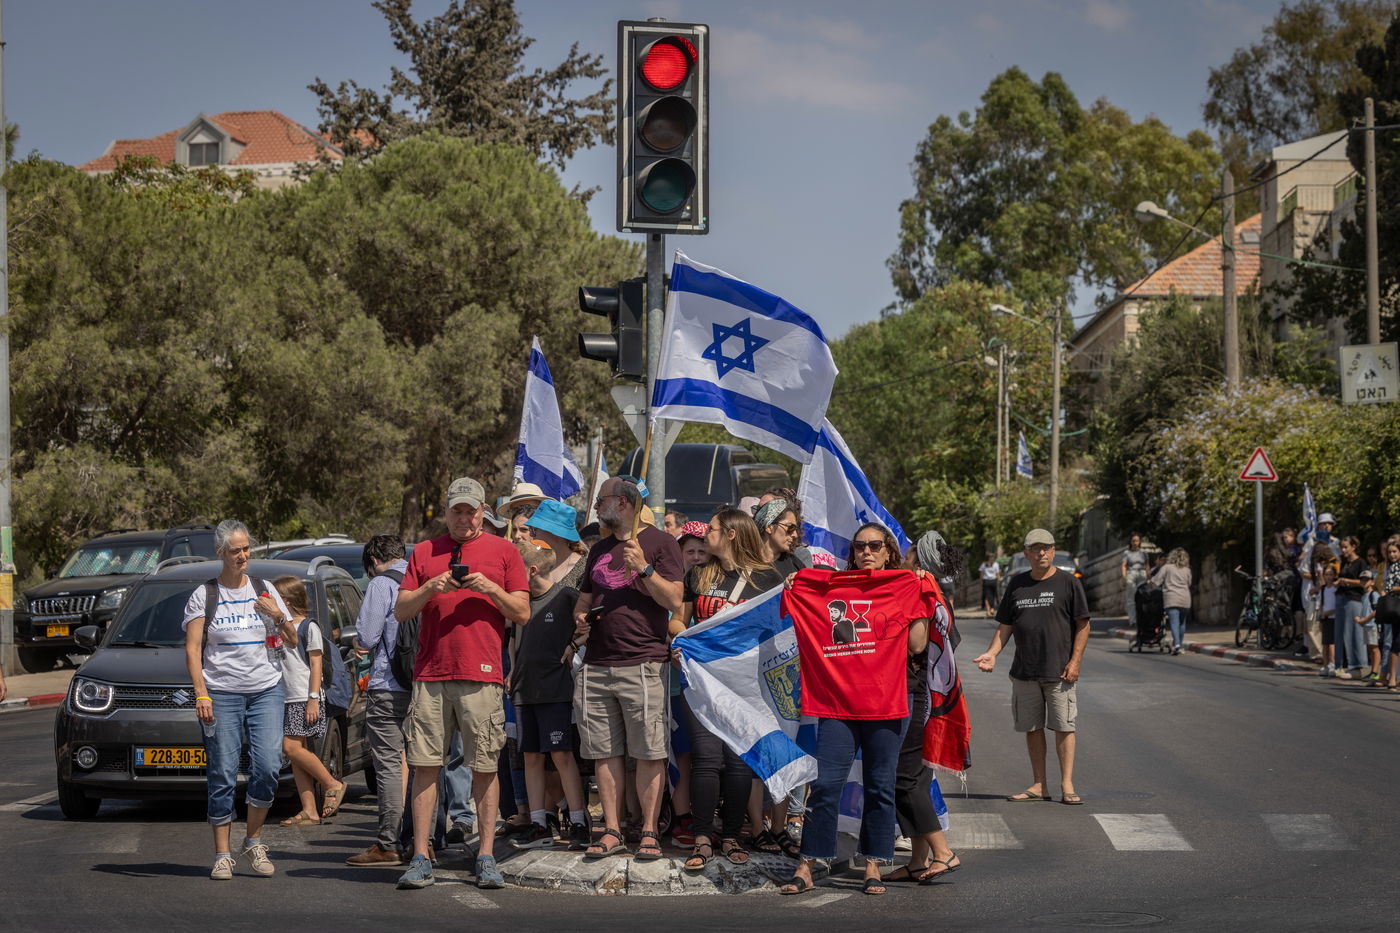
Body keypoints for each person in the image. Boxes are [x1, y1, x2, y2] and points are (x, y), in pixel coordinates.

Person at [778, 522, 934, 897]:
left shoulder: (904, 585)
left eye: (875, 545)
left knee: (880, 787)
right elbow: (793, 610)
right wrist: (793, 588)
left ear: (887, 551)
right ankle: (807, 865)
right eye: (859, 546)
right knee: (827, 785)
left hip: (889, 703)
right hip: (837, 704)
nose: (866, 551)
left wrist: (922, 597)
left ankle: (873, 865)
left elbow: (916, 646)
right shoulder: (829, 588)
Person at [393, 477, 531, 891]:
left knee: (485, 768)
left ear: (483, 511)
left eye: (471, 510)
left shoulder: (504, 551)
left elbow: (521, 612)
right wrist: (431, 587)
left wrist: (490, 589)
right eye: (457, 510)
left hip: (482, 675)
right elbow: (400, 611)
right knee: (425, 768)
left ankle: (486, 856)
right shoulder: (423, 552)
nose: (463, 518)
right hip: (430, 675)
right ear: (447, 510)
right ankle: (420, 855)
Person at [569, 476, 684, 862]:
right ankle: (613, 829)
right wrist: (581, 618)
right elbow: (583, 601)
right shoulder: (599, 548)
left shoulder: (661, 543)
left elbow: (675, 600)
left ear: (622, 503)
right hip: (597, 663)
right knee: (604, 753)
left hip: (643, 663)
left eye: (601, 500)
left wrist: (646, 570)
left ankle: (649, 830)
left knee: (649, 751)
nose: (596, 507)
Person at [668, 508, 784, 871]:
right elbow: (677, 619)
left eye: (713, 530)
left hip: (746, 685)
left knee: (738, 762)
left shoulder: (768, 579)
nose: (706, 537)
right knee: (706, 757)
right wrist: (680, 641)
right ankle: (703, 836)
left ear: (731, 534)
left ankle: (732, 834)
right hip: (702, 681)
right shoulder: (699, 575)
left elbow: (778, 634)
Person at [183, 520, 295, 880]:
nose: (244, 555)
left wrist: (278, 616)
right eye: (236, 550)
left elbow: (293, 639)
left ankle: (253, 840)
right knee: (222, 773)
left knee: (267, 767)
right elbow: (193, 648)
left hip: (266, 689)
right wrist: (201, 693)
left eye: (247, 548)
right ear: (221, 553)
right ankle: (221, 854)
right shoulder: (205, 595)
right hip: (222, 693)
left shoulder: (265, 590)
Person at [974, 528, 1090, 806]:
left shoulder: (1068, 583)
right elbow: (1006, 625)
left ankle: (1067, 784)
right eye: (1036, 548)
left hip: (1059, 671)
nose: (1042, 553)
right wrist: (992, 653)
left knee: (1064, 726)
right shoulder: (1017, 584)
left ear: (1053, 551)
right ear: (1026, 553)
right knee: (1033, 728)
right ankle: (1039, 784)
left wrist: (1075, 662)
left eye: (1047, 548)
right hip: (1025, 671)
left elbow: (1083, 624)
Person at [882, 530, 963, 885]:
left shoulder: (919, 588)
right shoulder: (940, 593)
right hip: (931, 695)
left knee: (903, 778)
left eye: (907, 553)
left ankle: (943, 852)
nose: (901, 556)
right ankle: (917, 860)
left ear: (918, 559)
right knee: (916, 776)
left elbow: (916, 646)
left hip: (918, 694)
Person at [509, 540, 588, 849]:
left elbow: (590, 624)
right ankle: (539, 824)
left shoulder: (566, 596)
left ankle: (579, 821)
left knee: (561, 755)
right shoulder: (519, 601)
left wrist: (573, 646)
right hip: (523, 690)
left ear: (530, 569)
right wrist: (512, 672)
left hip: (555, 690)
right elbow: (512, 639)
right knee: (530, 757)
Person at [346, 535, 412, 866]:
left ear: (373, 560)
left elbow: (369, 638)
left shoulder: (380, 585)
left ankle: (389, 844)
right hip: (423, 685)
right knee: (423, 764)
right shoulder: (422, 578)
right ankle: (426, 839)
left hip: (387, 685)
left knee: (387, 765)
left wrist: (358, 641)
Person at [269, 575, 347, 826]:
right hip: (285, 696)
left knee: (290, 748)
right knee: (297, 753)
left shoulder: (308, 627)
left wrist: (314, 699)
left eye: (275, 598)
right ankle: (309, 810)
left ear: (287, 601)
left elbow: (316, 665)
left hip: (303, 696)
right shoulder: (279, 626)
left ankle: (332, 783)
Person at [525, 499, 588, 591]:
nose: (531, 535)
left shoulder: (585, 569)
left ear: (554, 533)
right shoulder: (533, 560)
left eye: (534, 530)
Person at [1334, 536, 1368, 679]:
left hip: (1353, 599)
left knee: (1353, 632)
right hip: (1341, 597)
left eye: (1346, 547)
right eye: (1342, 547)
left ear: (1353, 547)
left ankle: (1358, 665)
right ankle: (1340, 665)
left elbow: (1364, 582)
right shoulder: (1344, 563)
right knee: (1340, 633)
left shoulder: (1360, 563)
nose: (1343, 550)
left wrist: (1346, 580)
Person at [754, 497, 810, 578]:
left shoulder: (797, 568)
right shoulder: (741, 562)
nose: (795, 535)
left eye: (796, 529)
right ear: (769, 527)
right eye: (790, 527)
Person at [1151, 548, 1192, 656]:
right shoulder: (1187, 570)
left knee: (1174, 622)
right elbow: (1189, 583)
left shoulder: (1166, 568)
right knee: (1182, 623)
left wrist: (1149, 581)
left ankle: (1177, 645)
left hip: (1171, 598)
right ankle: (1179, 645)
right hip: (1185, 599)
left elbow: (1156, 581)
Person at [1121, 535, 1148, 628]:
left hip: (1142, 573)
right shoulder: (1127, 553)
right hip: (1131, 573)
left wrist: (1149, 577)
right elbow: (1124, 565)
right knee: (1131, 598)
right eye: (1133, 541)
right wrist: (1124, 578)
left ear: (1140, 542)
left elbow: (1147, 565)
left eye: (1137, 541)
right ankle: (1132, 620)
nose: (1135, 543)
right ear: (1131, 542)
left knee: (1143, 597)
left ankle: (1143, 619)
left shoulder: (1143, 552)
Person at [1318, 564, 1339, 676]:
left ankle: (1332, 663)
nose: (1328, 577)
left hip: (1333, 617)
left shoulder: (1336, 589)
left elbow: (1337, 606)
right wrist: (1321, 615)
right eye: (1326, 574)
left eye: (1331, 574)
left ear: (1335, 575)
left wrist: (1329, 612)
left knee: (1332, 643)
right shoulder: (1323, 589)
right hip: (1325, 618)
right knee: (1325, 643)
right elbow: (1322, 603)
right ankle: (1325, 665)